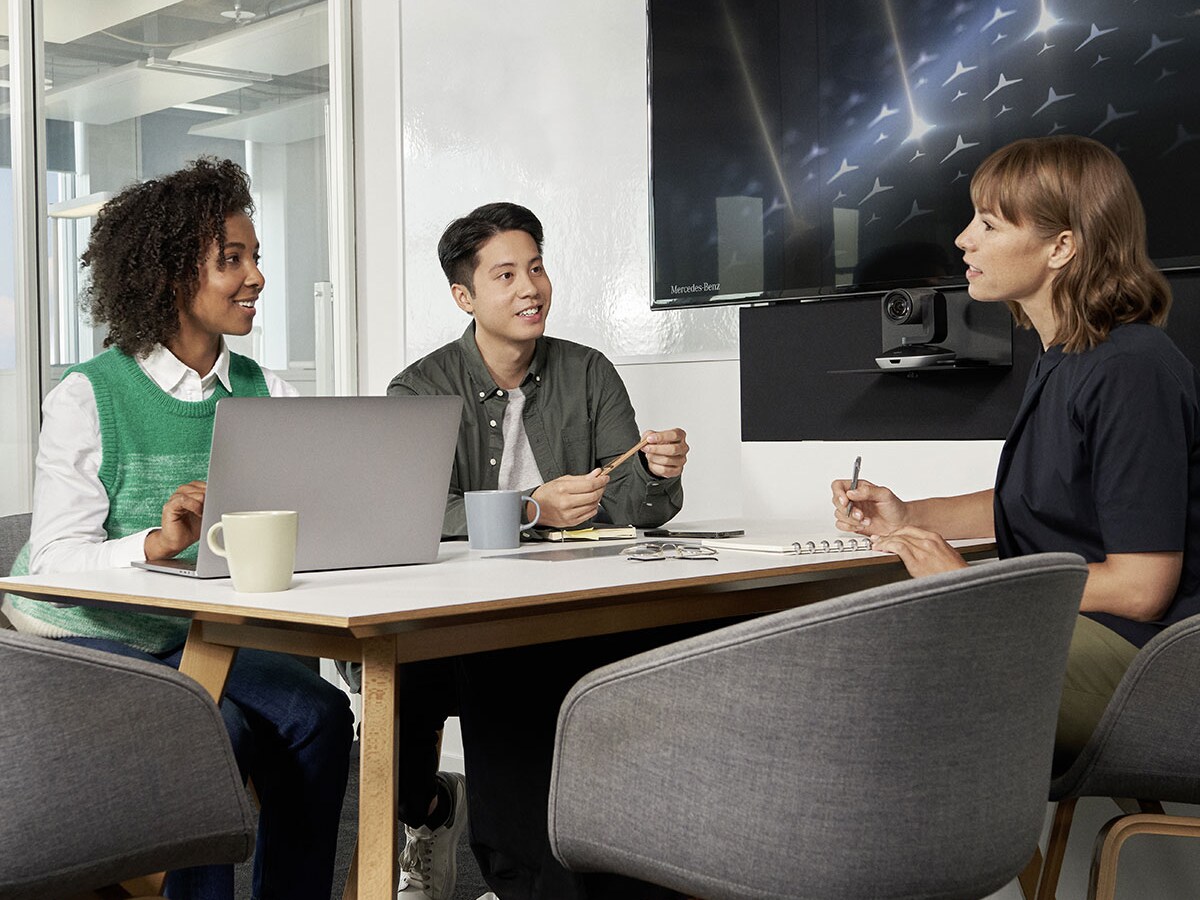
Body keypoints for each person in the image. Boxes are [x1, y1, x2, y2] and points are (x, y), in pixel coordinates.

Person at [2, 158, 354, 899]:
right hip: (77, 637)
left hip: (192, 635)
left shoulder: (267, 392)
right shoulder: (88, 394)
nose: (256, 276)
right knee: (207, 731)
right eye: (233, 259)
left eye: (256, 256)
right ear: (168, 277)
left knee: (320, 714)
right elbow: (52, 564)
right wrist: (154, 545)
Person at [830, 135, 1200, 774]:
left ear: (1062, 247)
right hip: (1098, 641)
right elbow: (1034, 502)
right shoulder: (1067, 358)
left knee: (873, 668)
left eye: (989, 224)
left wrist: (973, 583)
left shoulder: (1131, 369)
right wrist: (909, 515)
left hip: (1150, 668)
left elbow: (1142, 588)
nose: (962, 241)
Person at [386, 202, 691, 900]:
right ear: (465, 296)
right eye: (505, 274)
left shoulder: (588, 372)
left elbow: (632, 506)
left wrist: (655, 474)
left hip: (567, 601)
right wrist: (531, 508)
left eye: (537, 267)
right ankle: (463, 836)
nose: (531, 287)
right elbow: (412, 515)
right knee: (492, 667)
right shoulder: (419, 389)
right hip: (450, 612)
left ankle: (572, 870)